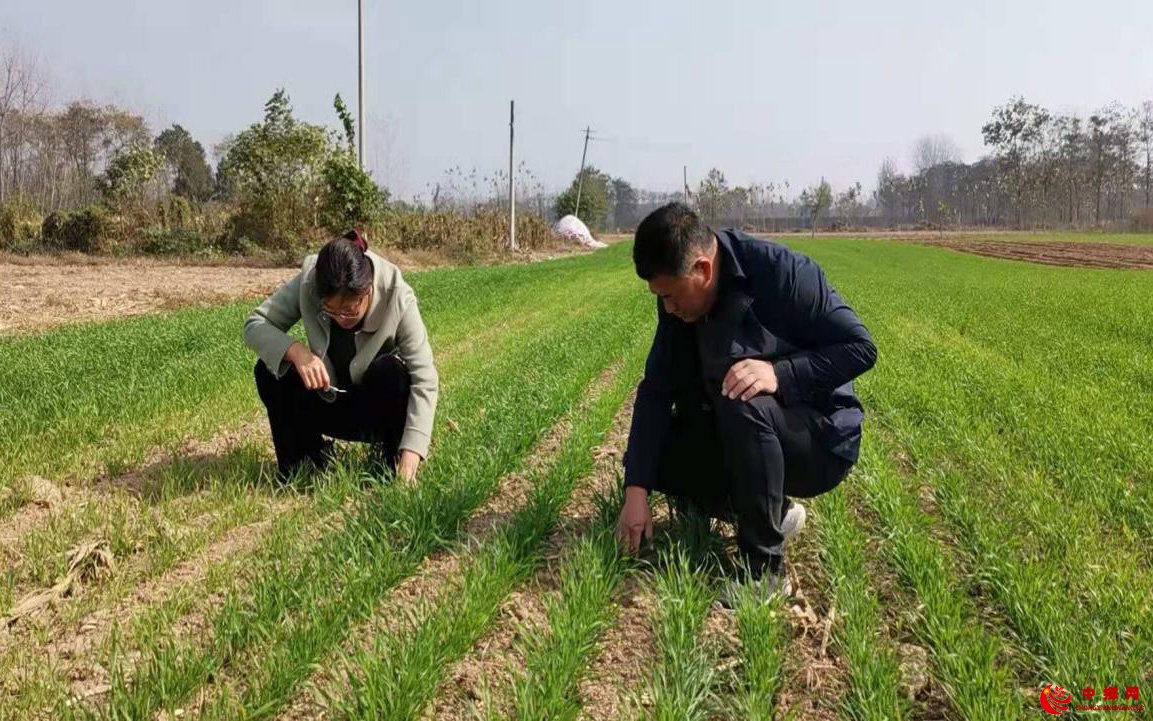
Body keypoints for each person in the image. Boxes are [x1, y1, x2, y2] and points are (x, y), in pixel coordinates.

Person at [615, 203, 877, 606]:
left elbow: (860, 349)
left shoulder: (783, 273)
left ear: (701, 269)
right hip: (752, 433)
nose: (667, 308)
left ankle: (764, 574)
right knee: (652, 455)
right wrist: (636, 492)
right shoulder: (679, 303)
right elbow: (656, 389)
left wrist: (781, 375)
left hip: (819, 438)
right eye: (660, 298)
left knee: (742, 389)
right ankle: (775, 515)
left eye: (670, 296)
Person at [243, 229, 438, 483]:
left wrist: (411, 454)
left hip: (375, 409)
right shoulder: (310, 281)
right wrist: (297, 352)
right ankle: (307, 462)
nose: (340, 318)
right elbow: (255, 324)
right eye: (330, 310)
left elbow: (425, 378)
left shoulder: (397, 294)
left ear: (366, 290)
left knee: (392, 372)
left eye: (349, 309)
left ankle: (391, 460)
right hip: (328, 401)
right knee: (269, 371)